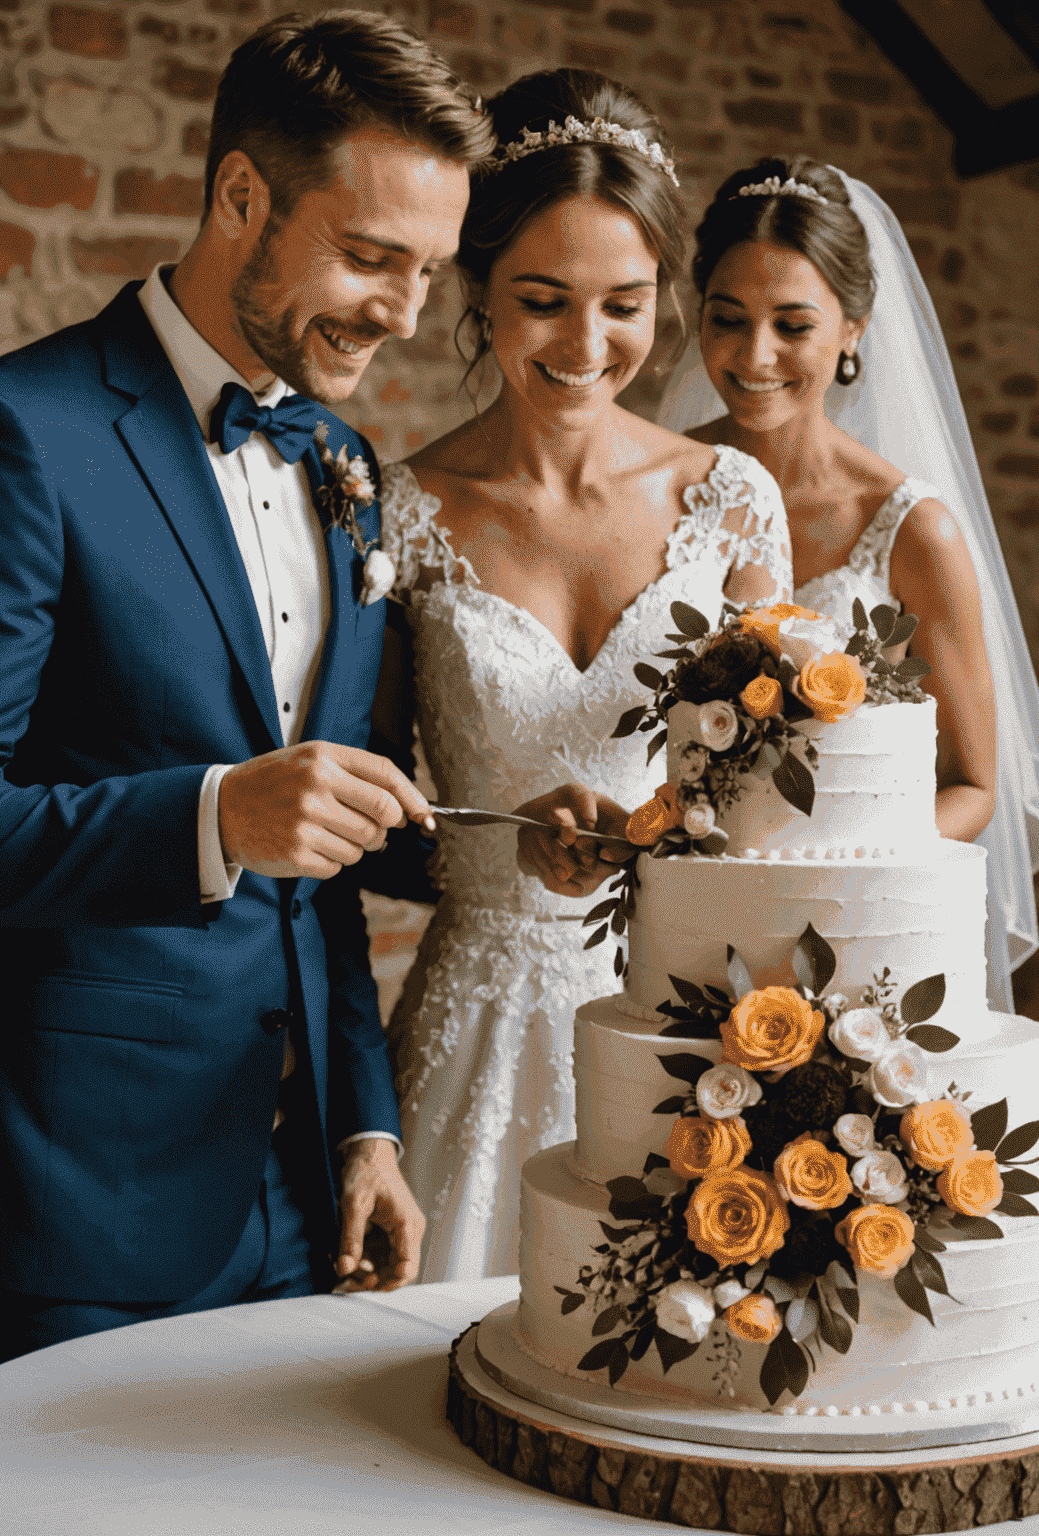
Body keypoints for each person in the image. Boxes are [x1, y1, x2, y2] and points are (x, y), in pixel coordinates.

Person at [0, 11, 494, 1371]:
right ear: (241, 197)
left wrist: (364, 1128)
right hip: (81, 1195)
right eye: (371, 257)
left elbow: (313, 862)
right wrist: (212, 816)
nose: (406, 313)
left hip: (303, 1199)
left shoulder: (350, 468)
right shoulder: (14, 438)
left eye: (429, 270)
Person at [377, 70, 794, 1283]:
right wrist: (495, 844)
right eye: (543, 300)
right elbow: (367, 817)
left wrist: (662, 841)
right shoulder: (400, 514)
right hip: (470, 1027)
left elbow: (773, 808)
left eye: (625, 303)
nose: (587, 345)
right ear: (477, 290)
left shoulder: (730, 503)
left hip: (678, 1023)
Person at [658, 156, 1039, 1013]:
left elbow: (976, 785)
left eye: (792, 324)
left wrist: (827, 876)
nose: (754, 354)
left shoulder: (913, 531)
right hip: (678, 927)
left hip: (855, 951)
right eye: (727, 319)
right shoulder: (659, 486)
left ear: (854, 330)